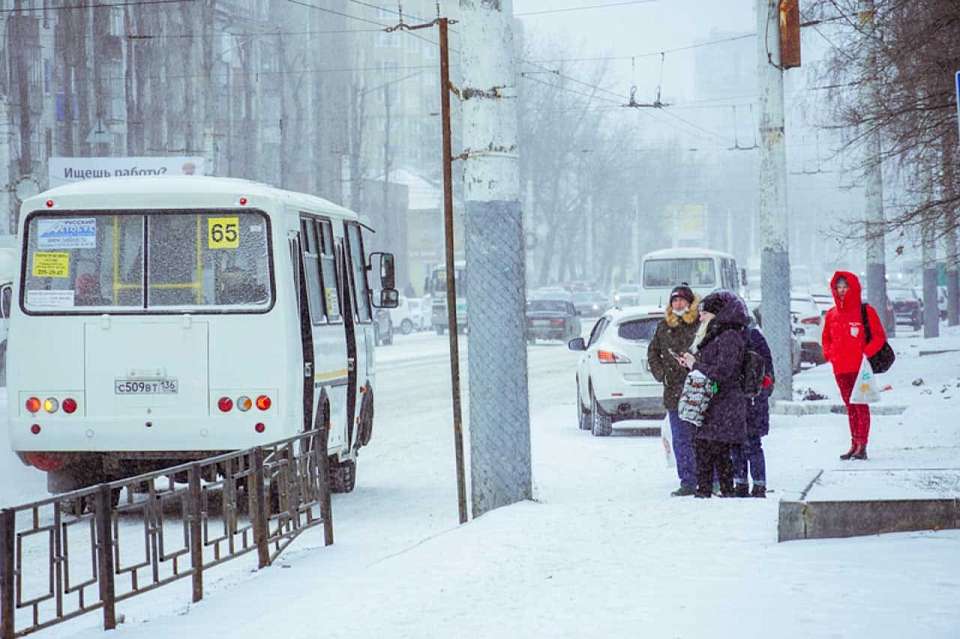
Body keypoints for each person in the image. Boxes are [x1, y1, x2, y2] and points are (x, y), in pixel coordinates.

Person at [678, 289, 750, 498]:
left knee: (715, 449)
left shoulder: (728, 336)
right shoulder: (716, 335)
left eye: (705, 313)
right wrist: (691, 365)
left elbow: (724, 372)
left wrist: (696, 365)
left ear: (717, 315)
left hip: (724, 403)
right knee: (706, 447)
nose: (700, 317)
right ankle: (707, 490)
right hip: (714, 403)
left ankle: (718, 491)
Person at [821, 271, 886, 460]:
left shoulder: (865, 311)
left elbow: (879, 337)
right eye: (838, 288)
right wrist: (830, 354)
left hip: (860, 368)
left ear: (853, 288)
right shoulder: (832, 314)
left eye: (845, 287)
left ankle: (862, 444)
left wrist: (865, 353)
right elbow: (826, 338)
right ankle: (854, 443)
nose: (842, 291)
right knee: (850, 406)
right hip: (840, 368)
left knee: (861, 405)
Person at [648, 284, 700, 497]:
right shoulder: (663, 327)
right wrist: (662, 374)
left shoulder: (699, 325)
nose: (678, 304)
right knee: (680, 438)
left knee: (702, 436)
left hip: (698, 389)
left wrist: (698, 368)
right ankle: (687, 481)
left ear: (690, 303)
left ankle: (709, 479)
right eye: (674, 300)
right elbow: (653, 353)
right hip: (673, 391)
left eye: (682, 300)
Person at [731, 323, 774, 498]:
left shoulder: (750, 336)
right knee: (740, 443)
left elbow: (767, 370)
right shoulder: (749, 335)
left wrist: (763, 388)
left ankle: (755, 484)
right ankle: (745, 483)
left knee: (750, 443)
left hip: (751, 398)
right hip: (746, 398)